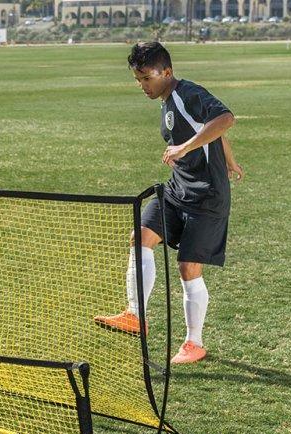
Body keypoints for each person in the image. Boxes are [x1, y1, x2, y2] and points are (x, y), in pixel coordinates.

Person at [94, 41, 243, 365]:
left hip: (207, 196)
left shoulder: (187, 93)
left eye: (147, 78)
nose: (142, 85)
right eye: (138, 79)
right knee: (140, 238)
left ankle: (194, 343)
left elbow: (225, 118)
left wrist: (184, 148)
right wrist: (229, 159)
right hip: (177, 190)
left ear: (167, 72)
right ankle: (136, 316)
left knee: (188, 267)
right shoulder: (167, 101)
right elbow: (212, 129)